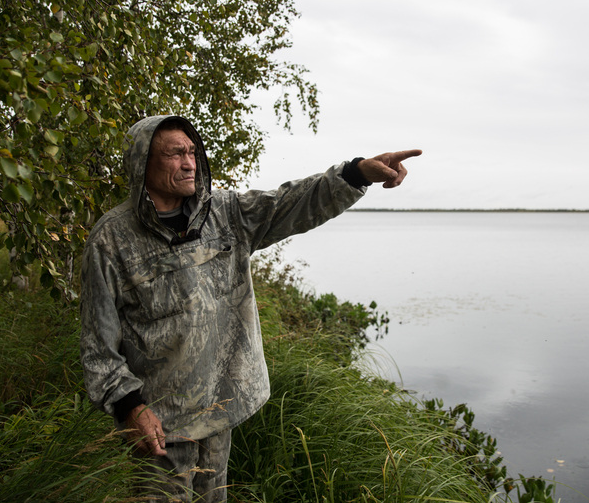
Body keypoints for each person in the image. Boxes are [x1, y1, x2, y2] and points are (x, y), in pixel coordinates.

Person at [79, 115, 421, 502]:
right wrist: (130, 408)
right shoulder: (112, 240)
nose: (189, 163)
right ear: (143, 163)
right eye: (175, 154)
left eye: (192, 152)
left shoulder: (225, 212)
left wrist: (356, 173)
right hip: (160, 425)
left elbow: (291, 202)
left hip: (219, 412)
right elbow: (98, 346)